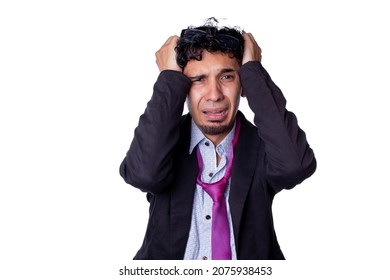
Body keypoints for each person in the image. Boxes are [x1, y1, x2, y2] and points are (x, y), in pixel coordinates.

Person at [119, 18, 316, 260]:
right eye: (198, 80)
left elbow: (295, 166)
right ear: (183, 88)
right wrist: (169, 78)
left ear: (242, 85)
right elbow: (144, 175)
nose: (214, 95)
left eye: (227, 77)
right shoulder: (164, 141)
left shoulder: (264, 143)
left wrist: (253, 72)